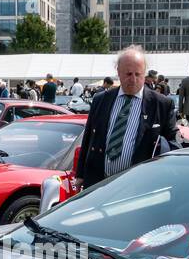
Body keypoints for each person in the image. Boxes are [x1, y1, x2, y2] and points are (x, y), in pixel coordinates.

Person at [75, 46, 179, 190]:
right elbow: (88, 138)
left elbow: (174, 145)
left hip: (140, 187)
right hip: (98, 185)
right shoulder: (101, 100)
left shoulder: (161, 104)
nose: (133, 79)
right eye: (128, 74)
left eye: (138, 74)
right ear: (118, 72)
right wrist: (80, 174)